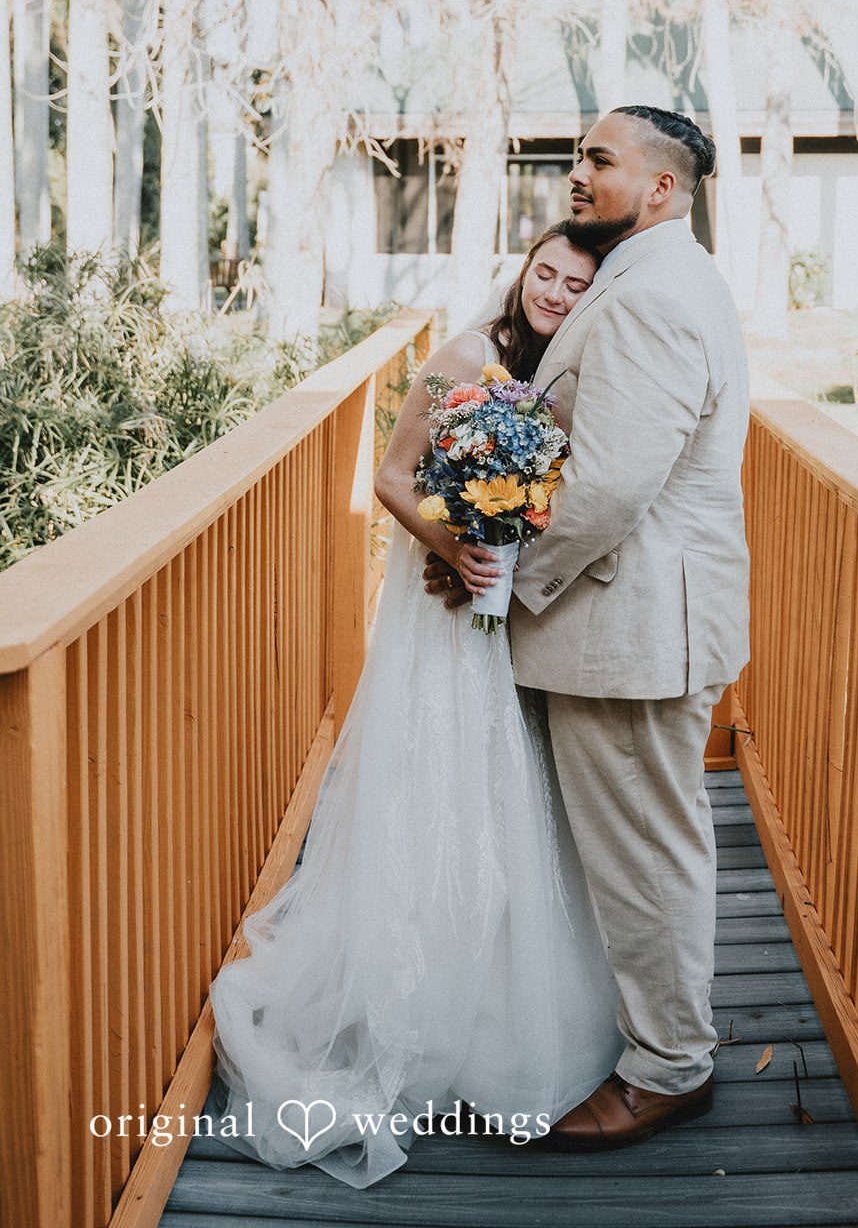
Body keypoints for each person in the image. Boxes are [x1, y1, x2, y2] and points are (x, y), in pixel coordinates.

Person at [205, 222, 627, 1191]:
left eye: (574, 282)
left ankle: (488, 1001)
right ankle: (413, 1000)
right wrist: (455, 549)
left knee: (498, 788)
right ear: (522, 272)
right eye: (546, 273)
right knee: (437, 778)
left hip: (496, 603)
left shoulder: (555, 368)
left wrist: (506, 530)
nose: (556, 292)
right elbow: (392, 477)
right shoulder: (465, 353)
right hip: (443, 602)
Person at [424, 105, 751, 1150]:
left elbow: (609, 486)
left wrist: (506, 580)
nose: (578, 174)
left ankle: (667, 1067)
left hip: (634, 625)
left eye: (598, 161)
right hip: (630, 617)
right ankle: (646, 1035)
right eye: (578, 157)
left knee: (645, 852)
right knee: (636, 843)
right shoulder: (644, 276)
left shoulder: (654, 294)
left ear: (660, 186)